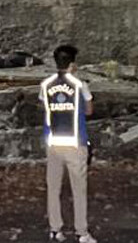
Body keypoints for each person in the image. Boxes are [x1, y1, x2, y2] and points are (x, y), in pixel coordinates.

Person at [40, 44, 97, 243]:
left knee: (53, 188)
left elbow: (45, 107)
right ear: (72, 64)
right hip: (75, 143)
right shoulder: (80, 85)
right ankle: (82, 232)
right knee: (78, 189)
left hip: (53, 143)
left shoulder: (46, 84)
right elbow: (89, 110)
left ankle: (55, 229)